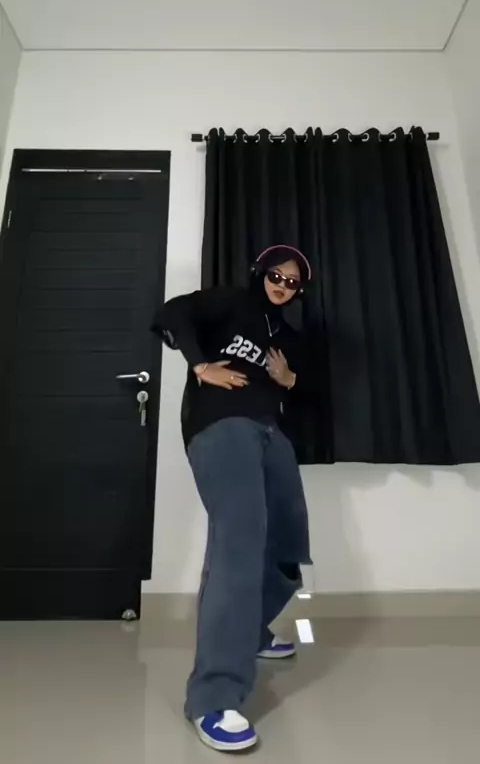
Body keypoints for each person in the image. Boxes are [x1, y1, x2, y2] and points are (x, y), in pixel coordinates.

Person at [152, 245, 312, 752]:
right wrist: (201, 365)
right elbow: (172, 313)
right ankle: (214, 697)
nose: (282, 286)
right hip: (222, 427)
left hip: (271, 434)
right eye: (276, 276)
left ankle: (251, 629)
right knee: (239, 541)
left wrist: (289, 380)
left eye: (292, 283)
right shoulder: (230, 303)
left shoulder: (286, 336)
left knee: (287, 544)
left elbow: (310, 395)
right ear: (260, 273)